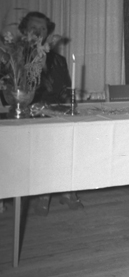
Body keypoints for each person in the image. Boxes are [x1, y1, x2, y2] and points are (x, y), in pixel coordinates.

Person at [19, 11, 84, 215]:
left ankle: (67, 190)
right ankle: (43, 194)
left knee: (71, 138)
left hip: (54, 113)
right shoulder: (15, 57)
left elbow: (64, 89)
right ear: (24, 31)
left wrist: (72, 96)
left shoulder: (58, 60)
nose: (39, 32)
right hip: (26, 114)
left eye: (43, 29)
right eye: (34, 28)